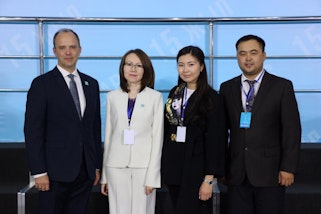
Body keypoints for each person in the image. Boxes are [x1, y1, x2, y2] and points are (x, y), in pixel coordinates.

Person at [219, 34, 301, 214]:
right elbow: (221, 132)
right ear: (237, 57)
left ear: (263, 55)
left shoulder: (282, 86)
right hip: (236, 173)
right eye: (242, 53)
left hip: (270, 173)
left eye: (253, 53)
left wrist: (288, 167)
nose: (248, 58)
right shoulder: (227, 88)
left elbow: (291, 130)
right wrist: (222, 167)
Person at [24, 28, 102, 214]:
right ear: (55, 51)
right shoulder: (41, 84)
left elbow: (94, 129)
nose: (68, 52)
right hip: (53, 174)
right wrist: (39, 172)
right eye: (63, 47)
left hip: (85, 172)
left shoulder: (91, 84)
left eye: (72, 47)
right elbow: (33, 131)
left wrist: (96, 165)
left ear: (80, 50)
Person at [161, 45, 226, 214]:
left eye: (191, 64)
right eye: (181, 64)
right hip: (174, 165)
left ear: (201, 67)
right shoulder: (175, 93)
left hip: (197, 168)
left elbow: (216, 140)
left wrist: (209, 179)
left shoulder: (212, 98)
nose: (185, 69)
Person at [100, 49, 164, 214]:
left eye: (138, 65)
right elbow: (109, 135)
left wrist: (153, 177)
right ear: (122, 68)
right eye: (129, 64)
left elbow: (158, 138)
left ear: (146, 69)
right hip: (115, 165)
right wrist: (105, 176)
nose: (133, 69)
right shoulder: (112, 96)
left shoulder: (155, 97)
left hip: (143, 166)